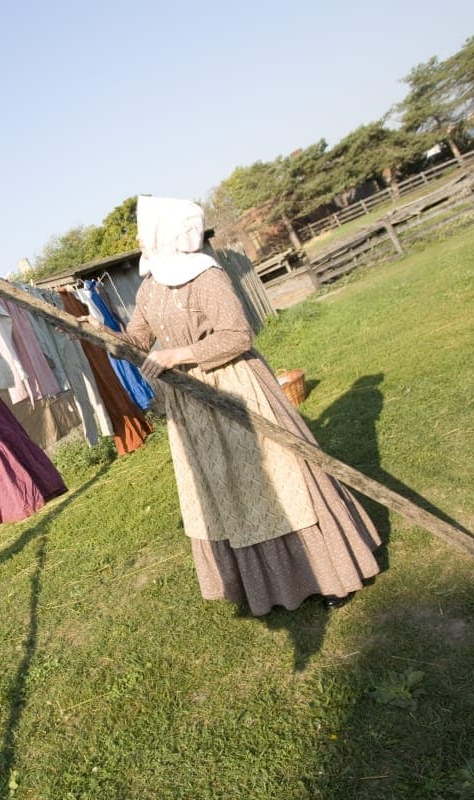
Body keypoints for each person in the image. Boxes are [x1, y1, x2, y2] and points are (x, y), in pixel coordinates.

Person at [119, 196, 381, 616]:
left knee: (277, 479)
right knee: (226, 489)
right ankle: (264, 586)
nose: (137, 238)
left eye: (143, 229)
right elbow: (137, 340)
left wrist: (176, 356)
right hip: (194, 405)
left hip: (236, 388)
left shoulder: (206, 276)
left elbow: (238, 336)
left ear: (164, 233)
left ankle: (328, 574)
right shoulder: (149, 288)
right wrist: (96, 333)